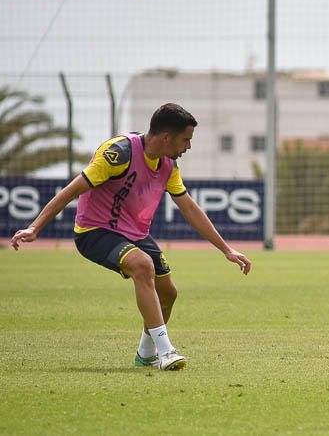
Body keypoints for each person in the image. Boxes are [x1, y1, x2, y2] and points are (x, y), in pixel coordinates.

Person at [10, 103, 252, 371]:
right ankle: (165, 352)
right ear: (166, 137)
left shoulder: (169, 164)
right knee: (142, 265)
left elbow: (189, 208)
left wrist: (226, 250)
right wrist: (35, 227)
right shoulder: (119, 153)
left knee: (168, 294)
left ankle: (146, 353)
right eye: (186, 140)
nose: (189, 147)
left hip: (135, 233)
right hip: (95, 231)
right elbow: (71, 190)